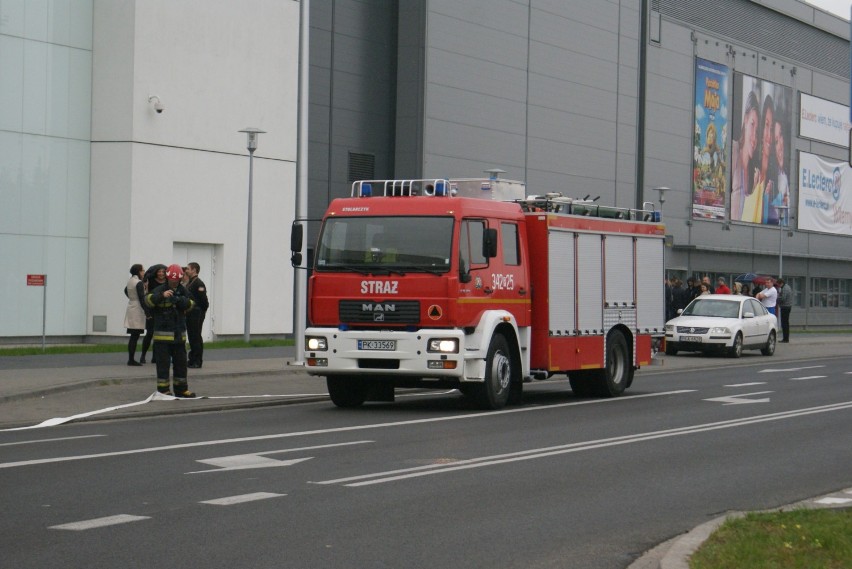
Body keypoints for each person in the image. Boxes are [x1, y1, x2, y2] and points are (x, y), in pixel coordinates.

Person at [144, 264, 196, 397]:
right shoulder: (159, 289)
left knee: (181, 365)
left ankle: (181, 390)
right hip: (162, 338)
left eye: (176, 280)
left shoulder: (183, 290)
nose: (174, 282)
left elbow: (191, 305)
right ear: (168, 278)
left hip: (179, 336)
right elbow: (148, 301)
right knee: (163, 366)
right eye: (172, 280)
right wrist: (162, 296)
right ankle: (163, 390)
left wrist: (179, 300)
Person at [742, 94, 774, 224]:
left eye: (771, 129)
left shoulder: (773, 182)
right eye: (766, 125)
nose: (768, 135)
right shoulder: (752, 170)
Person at [731, 91, 760, 221]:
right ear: (745, 120)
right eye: (752, 125)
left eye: (757, 131)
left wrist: (755, 188)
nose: (754, 137)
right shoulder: (733, 150)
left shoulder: (754, 173)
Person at [139, 264, 167, 364]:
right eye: (159, 271)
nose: (161, 273)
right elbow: (146, 295)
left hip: (163, 310)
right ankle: (143, 355)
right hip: (152, 310)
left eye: (163, 272)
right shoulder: (150, 281)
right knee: (150, 333)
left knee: (158, 334)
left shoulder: (167, 282)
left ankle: (155, 357)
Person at [185, 262, 210, 368]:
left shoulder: (198, 283)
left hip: (197, 313)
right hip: (191, 313)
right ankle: (192, 358)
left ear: (194, 270)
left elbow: (204, 301)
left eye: (188, 269)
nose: (186, 270)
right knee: (191, 336)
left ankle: (197, 361)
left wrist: (201, 311)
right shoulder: (190, 282)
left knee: (196, 336)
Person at [123, 264, 146, 366]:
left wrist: (131, 297)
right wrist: (147, 311)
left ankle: (131, 358)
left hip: (131, 306)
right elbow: (142, 298)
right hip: (137, 309)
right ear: (138, 271)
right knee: (135, 335)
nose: (144, 272)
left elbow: (125, 290)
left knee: (133, 335)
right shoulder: (139, 283)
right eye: (142, 270)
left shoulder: (130, 281)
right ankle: (131, 359)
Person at [776, 278, 793, 342]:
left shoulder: (785, 288)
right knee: (786, 323)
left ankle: (785, 339)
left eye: (778, 284)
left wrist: (777, 299)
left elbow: (783, 298)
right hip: (787, 307)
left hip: (785, 307)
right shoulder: (787, 287)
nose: (778, 286)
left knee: (784, 323)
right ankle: (786, 338)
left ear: (781, 283)